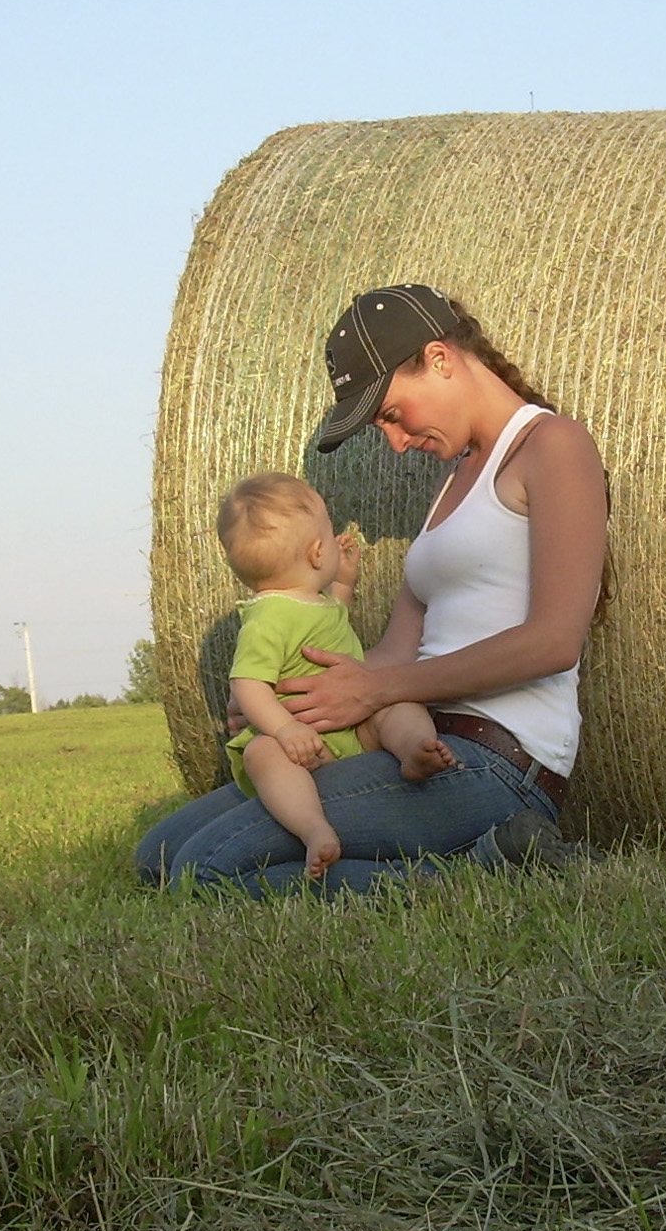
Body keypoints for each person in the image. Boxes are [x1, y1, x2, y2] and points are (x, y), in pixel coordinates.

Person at [136, 283, 607, 894]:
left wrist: (377, 690)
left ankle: (477, 873)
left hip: (494, 764)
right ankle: (491, 861)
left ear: (439, 359)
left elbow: (553, 642)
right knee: (159, 855)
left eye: (389, 413)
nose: (395, 441)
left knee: (202, 871)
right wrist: (289, 700)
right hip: (413, 740)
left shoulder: (555, 446)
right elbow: (391, 654)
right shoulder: (458, 479)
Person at [213, 472, 456, 879]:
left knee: (398, 700)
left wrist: (343, 580)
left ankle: (415, 748)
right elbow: (247, 684)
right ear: (315, 553)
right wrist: (285, 730)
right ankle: (313, 827)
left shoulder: (312, 602)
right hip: (299, 742)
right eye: (329, 529)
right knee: (262, 753)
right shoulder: (268, 616)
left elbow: (333, 621)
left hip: (352, 725)